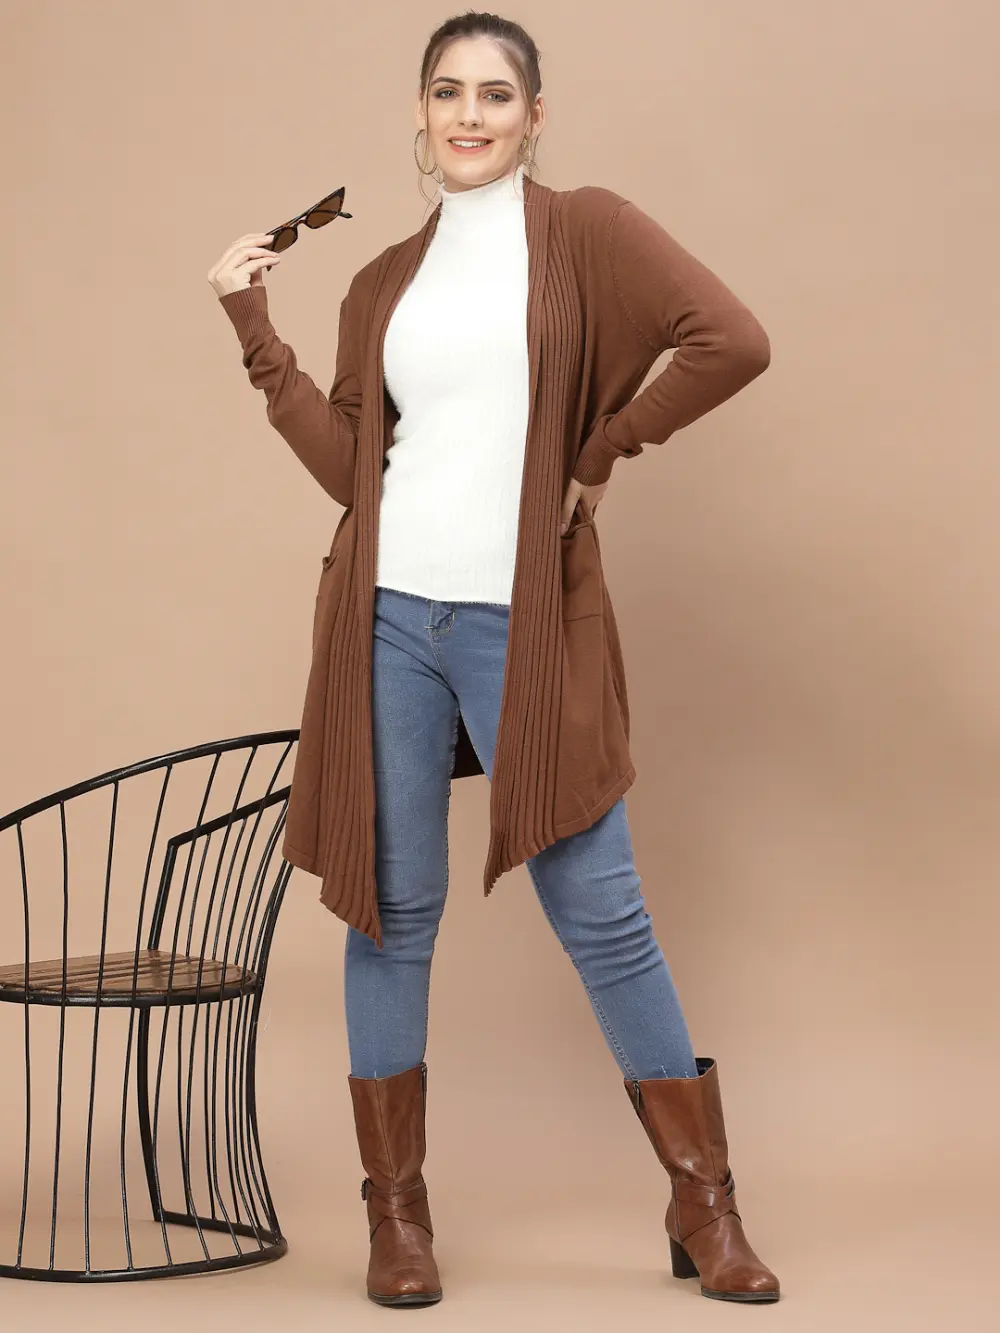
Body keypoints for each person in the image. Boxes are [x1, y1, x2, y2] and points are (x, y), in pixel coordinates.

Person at [208, 10, 779, 1311]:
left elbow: (732, 339)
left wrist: (601, 450)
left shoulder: (586, 232)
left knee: (603, 911)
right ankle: (398, 1218)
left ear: (534, 116)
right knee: (392, 910)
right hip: (388, 617)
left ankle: (704, 1206)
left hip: (522, 617)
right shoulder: (381, 283)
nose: (469, 115)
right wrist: (253, 326)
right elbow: (349, 467)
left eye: (496, 95)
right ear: (420, 112)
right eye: (448, 92)